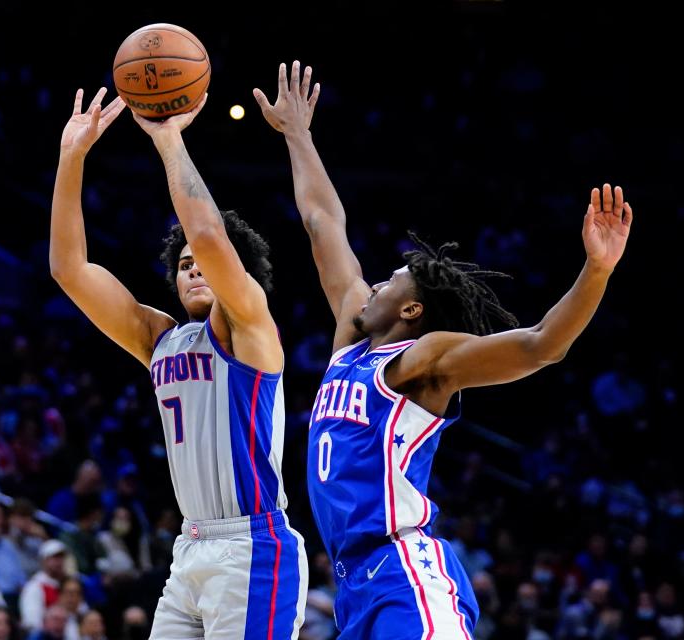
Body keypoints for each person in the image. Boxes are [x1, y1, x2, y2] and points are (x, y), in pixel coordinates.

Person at [255, 60, 634, 638]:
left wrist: (597, 268)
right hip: (352, 581)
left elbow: (540, 346)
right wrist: (298, 135)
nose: (377, 281)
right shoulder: (349, 342)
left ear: (412, 310)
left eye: (393, 279)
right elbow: (321, 221)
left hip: (404, 574)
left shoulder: (421, 361)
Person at [49, 87, 306, 638]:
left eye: (204, 264)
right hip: (190, 548)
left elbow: (210, 235)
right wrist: (72, 159)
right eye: (184, 264)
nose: (194, 268)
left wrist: (168, 140)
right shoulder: (158, 338)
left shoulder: (251, 328)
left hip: (253, 549)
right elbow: (69, 270)